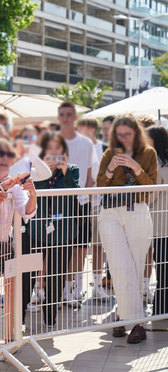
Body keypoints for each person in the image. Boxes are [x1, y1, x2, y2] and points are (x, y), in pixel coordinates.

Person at [97, 113, 157, 343]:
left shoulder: (148, 153)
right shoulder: (108, 153)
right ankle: (135, 320)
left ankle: (127, 317)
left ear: (136, 133)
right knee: (119, 266)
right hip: (110, 212)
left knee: (135, 264)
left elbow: (151, 189)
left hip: (138, 211)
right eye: (119, 135)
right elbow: (100, 187)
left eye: (128, 134)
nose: (124, 138)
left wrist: (136, 167)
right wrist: (111, 168)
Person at [0, 139, 37, 340]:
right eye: (0, 153)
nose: (5, 158)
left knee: (12, 291)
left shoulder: (13, 182)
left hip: (5, 244)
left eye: (9, 154)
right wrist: (4, 186)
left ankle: (11, 337)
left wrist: (32, 193)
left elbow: (26, 213)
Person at [28, 132, 80, 327]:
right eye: (50, 149)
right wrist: (43, 172)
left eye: (58, 149)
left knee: (57, 274)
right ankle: (23, 311)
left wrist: (65, 173)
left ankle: (50, 317)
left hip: (64, 230)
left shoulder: (72, 170)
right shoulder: (34, 170)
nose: (54, 153)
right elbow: (31, 190)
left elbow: (74, 193)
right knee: (30, 271)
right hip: (37, 228)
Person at [57, 101, 99, 306]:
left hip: (82, 202)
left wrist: (88, 199)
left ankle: (69, 290)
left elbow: (90, 175)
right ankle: (48, 291)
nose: (65, 118)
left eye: (69, 114)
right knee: (58, 247)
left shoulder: (87, 143)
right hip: (58, 202)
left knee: (80, 247)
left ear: (75, 117)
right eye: (62, 114)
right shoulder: (53, 141)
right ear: (59, 117)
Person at [75, 117, 108, 299]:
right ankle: (76, 285)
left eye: (85, 129)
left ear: (93, 130)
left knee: (97, 245)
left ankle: (97, 284)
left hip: (97, 203)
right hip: (78, 203)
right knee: (78, 247)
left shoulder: (102, 148)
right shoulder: (75, 147)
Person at [145, 126, 168, 316]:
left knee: (161, 267)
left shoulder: (157, 164)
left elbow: (151, 195)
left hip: (160, 223)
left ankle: (161, 309)